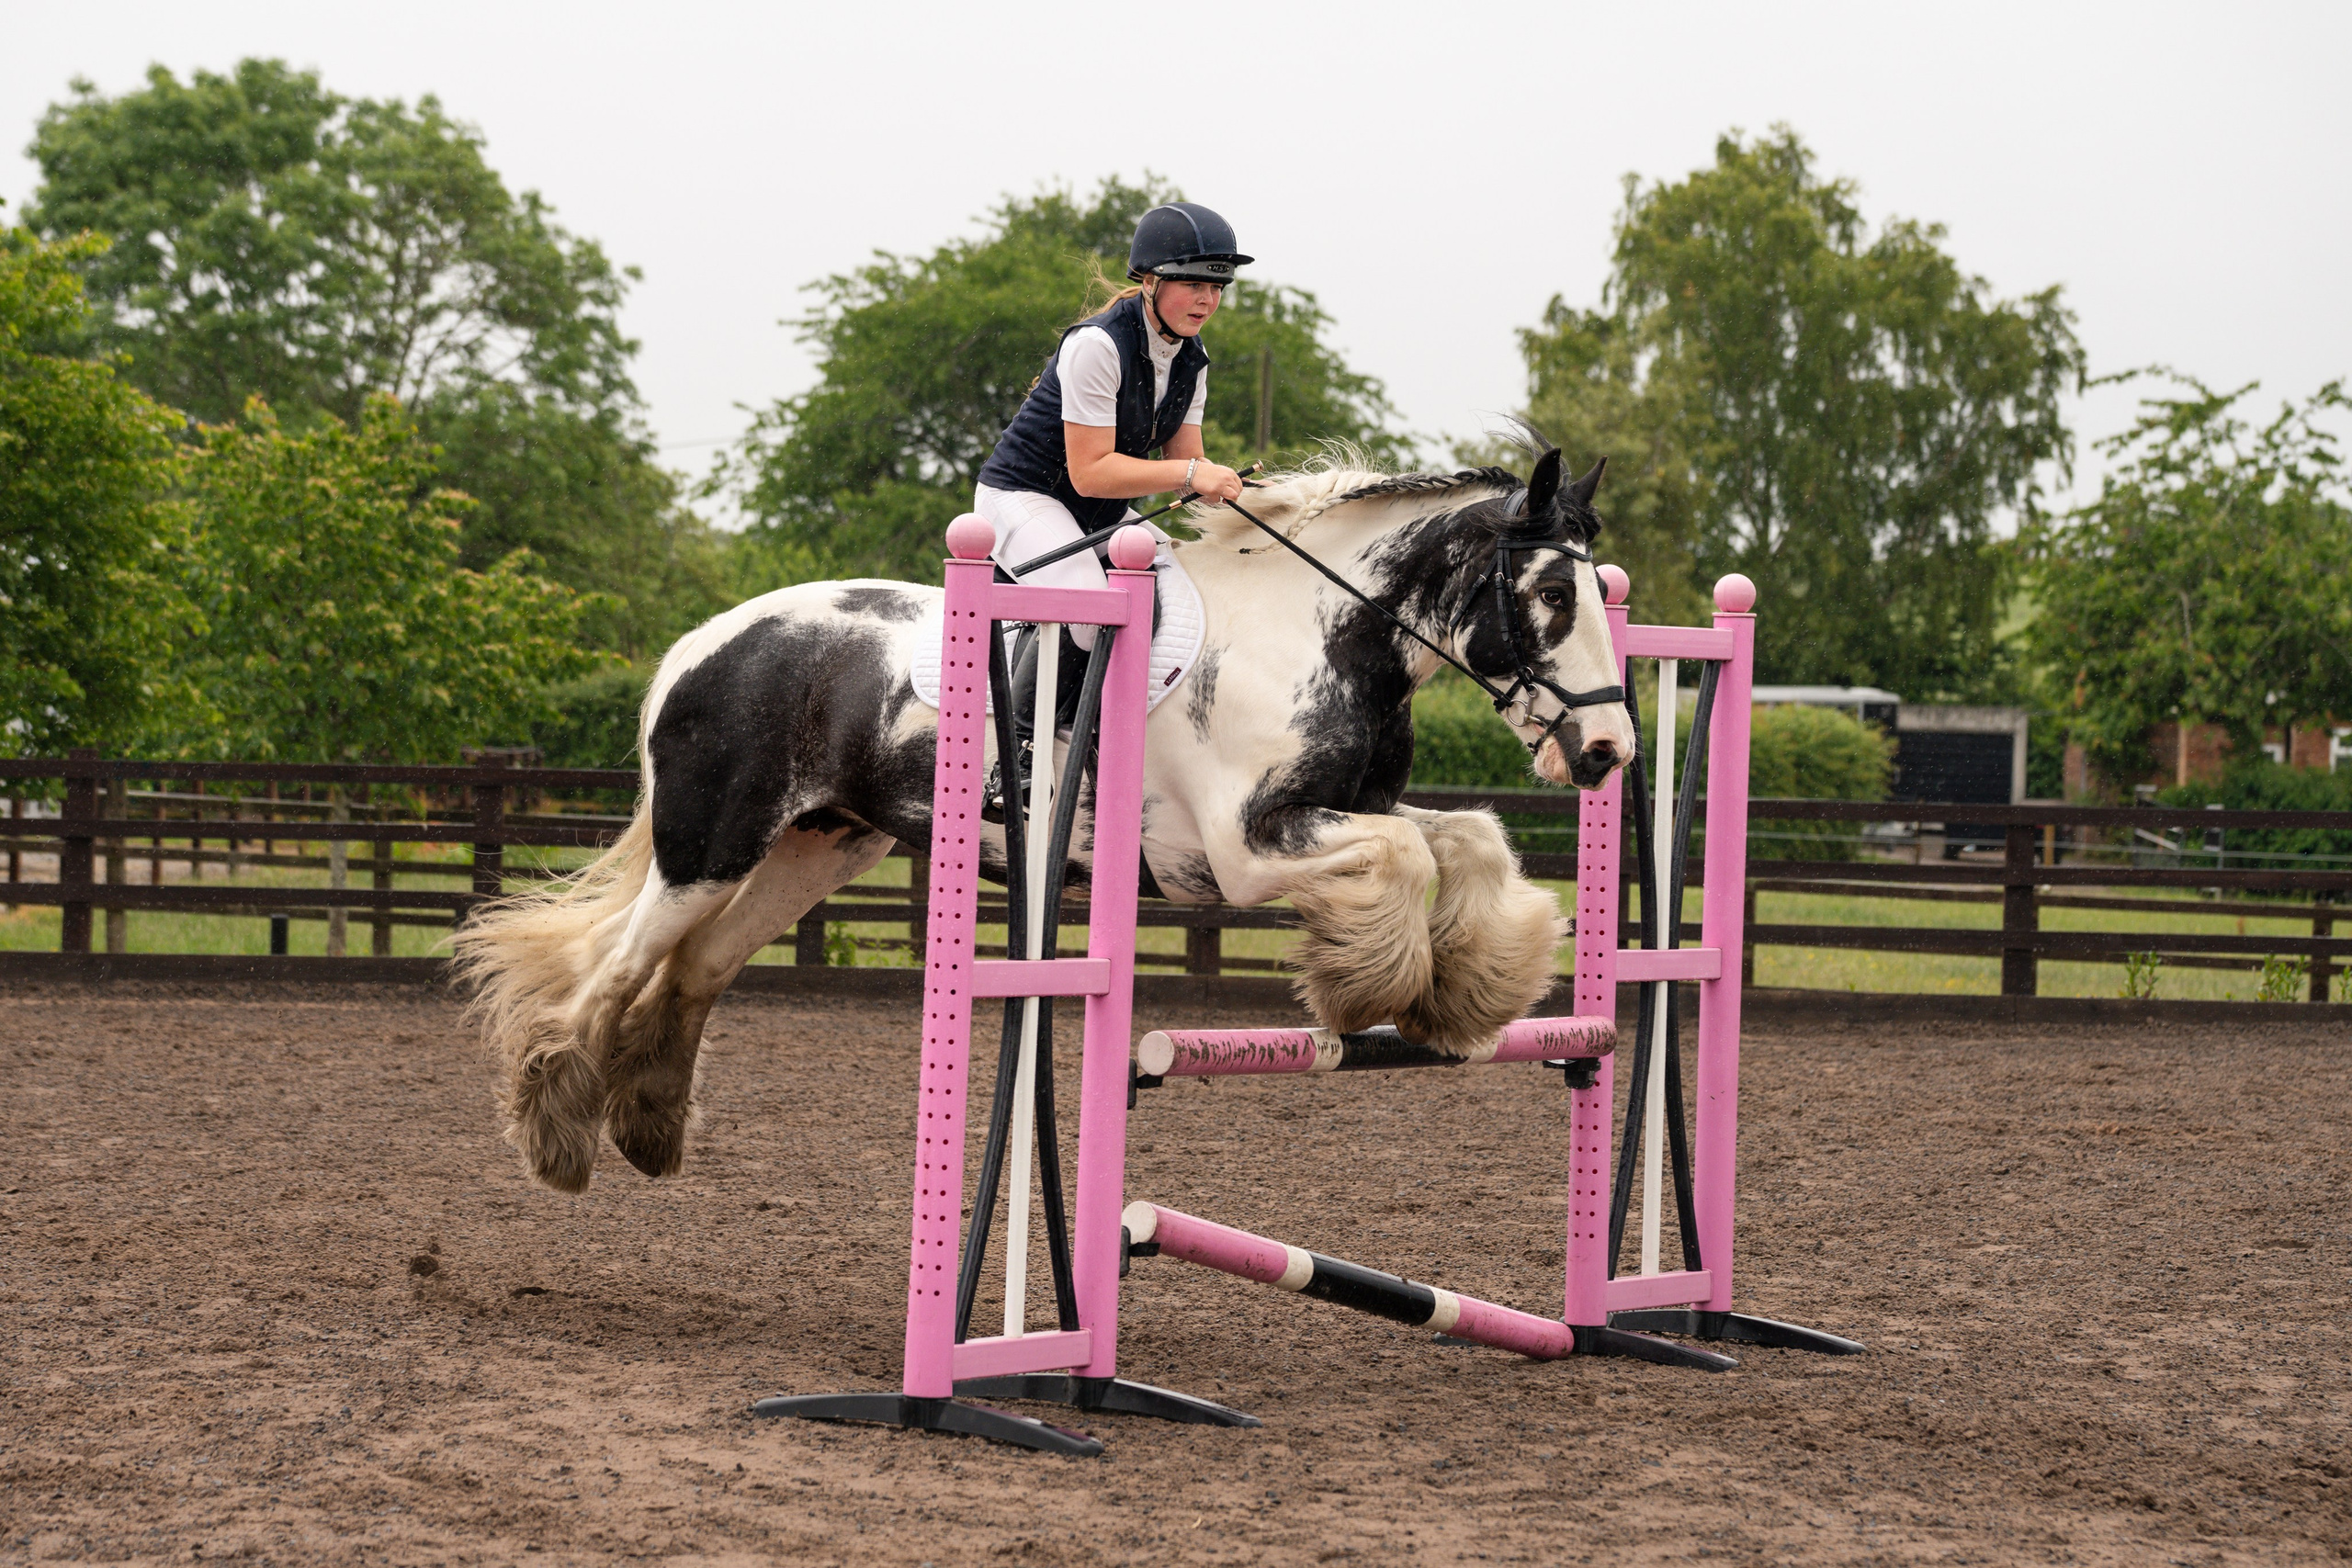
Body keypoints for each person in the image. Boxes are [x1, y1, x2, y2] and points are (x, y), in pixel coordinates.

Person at [972, 201, 1253, 813]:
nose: (1206, 300)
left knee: (1176, 594)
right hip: (1024, 498)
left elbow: (1186, 468)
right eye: (1192, 284)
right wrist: (1190, 473)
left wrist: (1237, 495)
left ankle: (1097, 735)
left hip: (1097, 516)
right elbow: (1092, 471)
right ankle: (1012, 758)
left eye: (1216, 286)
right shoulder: (1097, 347)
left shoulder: (1193, 360)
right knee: (1091, 608)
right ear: (1149, 281)